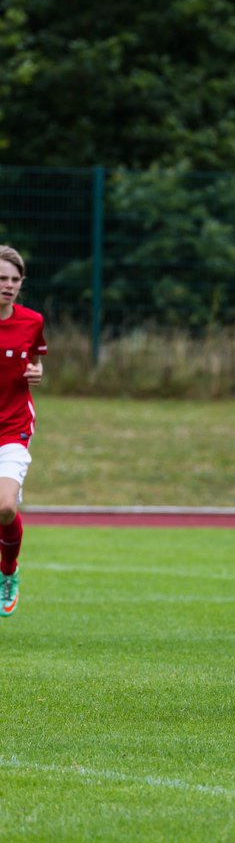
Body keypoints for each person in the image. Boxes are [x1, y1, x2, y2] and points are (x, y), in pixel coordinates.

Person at [0, 245, 46, 618]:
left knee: (4, 507)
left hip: (13, 426)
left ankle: (8, 572)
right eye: (2, 278)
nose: (9, 285)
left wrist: (36, 372)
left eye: (15, 279)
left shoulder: (32, 321)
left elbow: (34, 361)